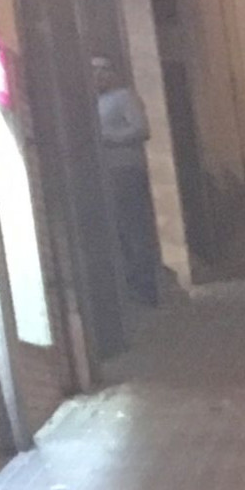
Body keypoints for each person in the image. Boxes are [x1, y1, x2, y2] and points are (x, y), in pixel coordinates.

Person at [92, 53, 163, 304]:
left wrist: (109, 138)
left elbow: (141, 129)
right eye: (93, 72)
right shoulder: (94, 103)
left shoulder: (124, 97)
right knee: (118, 230)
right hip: (105, 173)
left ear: (112, 74)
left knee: (133, 227)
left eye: (102, 71)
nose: (97, 76)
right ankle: (129, 283)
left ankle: (145, 286)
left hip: (126, 170)